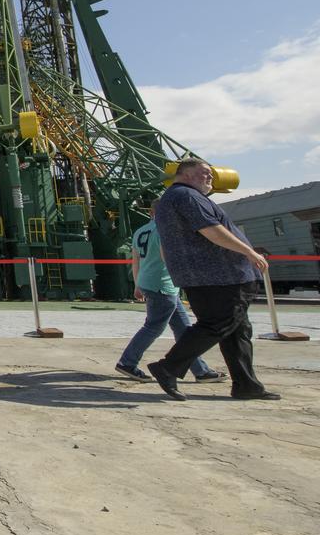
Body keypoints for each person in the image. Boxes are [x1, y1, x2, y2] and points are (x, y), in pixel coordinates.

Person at [147, 159, 279, 401]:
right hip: (217, 276)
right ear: (185, 174)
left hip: (207, 275)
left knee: (237, 331)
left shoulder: (172, 199)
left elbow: (168, 244)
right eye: (204, 173)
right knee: (217, 324)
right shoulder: (186, 196)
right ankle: (168, 367)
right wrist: (249, 252)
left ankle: (246, 385)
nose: (211, 178)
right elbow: (211, 230)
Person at [114, 204, 224, 383]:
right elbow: (169, 258)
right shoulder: (165, 230)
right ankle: (127, 362)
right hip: (164, 286)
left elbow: (135, 261)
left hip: (150, 283)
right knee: (153, 327)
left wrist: (137, 284)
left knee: (184, 329)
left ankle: (201, 371)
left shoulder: (141, 231)